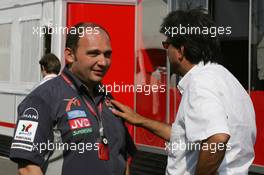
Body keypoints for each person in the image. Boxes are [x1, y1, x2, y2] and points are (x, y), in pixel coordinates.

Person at [111, 9, 256, 175]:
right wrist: (139, 120)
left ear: (180, 50)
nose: (166, 52)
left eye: (167, 45)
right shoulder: (226, 79)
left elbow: (217, 139)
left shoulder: (200, 83)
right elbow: (187, 136)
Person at [9, 22, 136, 175]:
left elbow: (123, 157)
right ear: (70, 55)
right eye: (93, 53)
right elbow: (28, 169)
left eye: (107, 54)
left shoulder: (108, 99)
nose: (103, 62)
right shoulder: (42, 98)